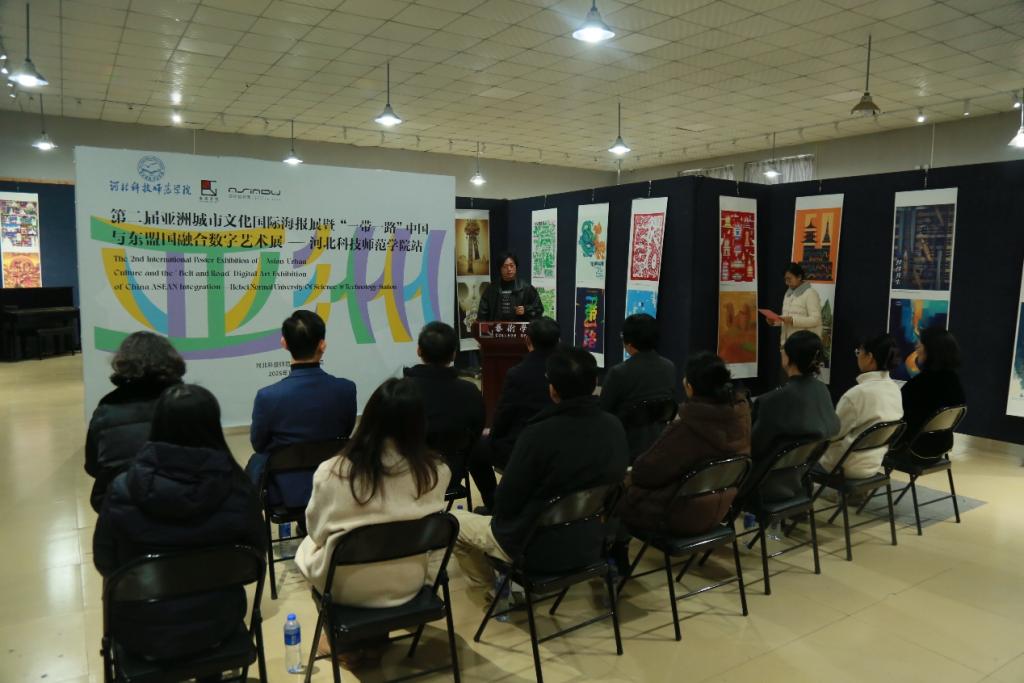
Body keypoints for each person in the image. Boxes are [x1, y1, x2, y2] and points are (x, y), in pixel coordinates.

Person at [93, 384, 265, 664]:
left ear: (157, 424)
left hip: (140, 634)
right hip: (219, 625)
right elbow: (254, 563)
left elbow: (105, 562)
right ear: (214, 426)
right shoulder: (239, 490)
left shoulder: (122, 490)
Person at [295, 378, 449, 669]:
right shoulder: (436, 471)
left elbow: (316, 531)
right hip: (410, 582)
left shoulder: (333, 472)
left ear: (369, 417)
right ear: (420, 423)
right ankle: (374, 642)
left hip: (345, 587)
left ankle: (346, 646)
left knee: (310, 546)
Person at [452, 347, 629, 592]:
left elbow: (505, 501)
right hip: (593, 543)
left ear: (553, 390)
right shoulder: (614, 426)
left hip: (535, 550)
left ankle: (496, 591)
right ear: (594, 384)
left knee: (455, 523)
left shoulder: (537, 434)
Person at [617, 352, 750, 542]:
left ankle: (617, 549)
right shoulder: (741, 417)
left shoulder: (687, 428)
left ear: (690, 386)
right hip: (720, 509)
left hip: (676, 515)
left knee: (616, 490)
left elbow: (644, 472)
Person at [245, 310, 357, 508]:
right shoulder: (346, 389)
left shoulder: (267, 396)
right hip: (336, 485)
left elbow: (259, 445)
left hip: (284, 492)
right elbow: (344, 433)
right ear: (322, 345)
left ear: (284, 343)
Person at [467, 316, 560, 512]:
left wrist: (492, 436)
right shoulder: (568, 367)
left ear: (527, 341)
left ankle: (495, 505)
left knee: (477, 449)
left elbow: (504, 415)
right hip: (561, 440)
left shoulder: (518, 373)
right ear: (558, 341)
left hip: (522, 445)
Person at [85, 331, 186, 512]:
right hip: (183, 504)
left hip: (122, 507)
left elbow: (93, 467)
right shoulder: (190, 401)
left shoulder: (106, 409)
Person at [742, 331, 840, 497]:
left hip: (764, 484)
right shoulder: (822, 390)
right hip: (801, 480)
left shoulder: (772, 401)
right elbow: (834, 427)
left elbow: (754, 448)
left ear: (788, 358)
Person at [403, 321, 485, 482]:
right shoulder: (469, 391)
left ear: (419, 350)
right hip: (453, 472)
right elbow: (477, 430)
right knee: (480, 446)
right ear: (454, 354)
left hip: (409, 474)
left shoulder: (400, 391)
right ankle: (491, 497)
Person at [816, 334, 903, 479]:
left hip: (842, 464)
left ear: (869, 357)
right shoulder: (895, 389)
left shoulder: (857, 394)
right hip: (874, 462)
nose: (857, 356)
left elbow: (833, 433)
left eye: (859, 352)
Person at [600, 313, 678, 459]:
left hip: (626, 445)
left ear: (629, 344)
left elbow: (603, 411)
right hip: (659, 443)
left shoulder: (619, 372)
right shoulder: (669, 367)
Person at [889, 327, 966, 465]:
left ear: (931, 350)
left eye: (920, 343)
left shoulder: (920, 384)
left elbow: (898, 414)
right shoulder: (954, 381)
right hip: (941, 447)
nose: (916, 346)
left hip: (914, 449)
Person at [476, 252, 544, 321]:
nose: (509, 269)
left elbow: (539, 310)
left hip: (520, 327)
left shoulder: (526, 288)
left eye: (511, 265)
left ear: (516, 267)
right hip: (497, 327)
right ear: (500, 269)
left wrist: (526, 310)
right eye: (505, 266)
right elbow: (482, 315)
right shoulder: (491, 289)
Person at [770, 263, 822, 344]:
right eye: (785, 279)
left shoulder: (810, 293)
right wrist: (775, 321)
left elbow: (815, 320)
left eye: (789, 279)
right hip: (787, 342)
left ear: (799, 277)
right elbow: (787, 320)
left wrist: (792, 320)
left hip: (803, 343)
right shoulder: (788, 293)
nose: (786, 283)